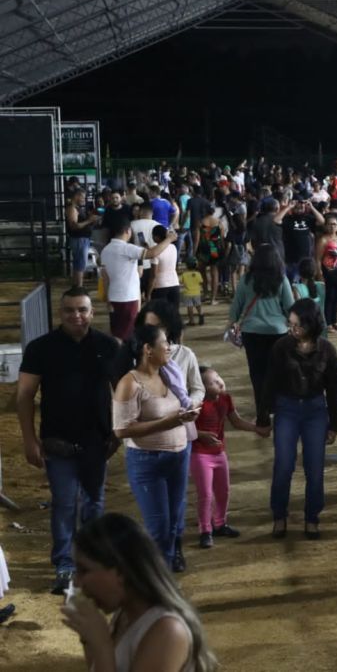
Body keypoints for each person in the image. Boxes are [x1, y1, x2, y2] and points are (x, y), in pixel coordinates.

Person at [17, 288, 120, 595]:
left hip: (97, 441)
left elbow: (125, 392)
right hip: (57, 441)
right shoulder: (41, 348)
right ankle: (64, 564)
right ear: (59, 313)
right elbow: (24, 395)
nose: (76, 315)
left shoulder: (108, 346)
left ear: (92, 312)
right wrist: (29, 439)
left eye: (82, 309)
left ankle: (91, 560)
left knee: (94, 502)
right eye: (69, 310)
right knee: (64, 503)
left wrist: (118, 432)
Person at [60, 513, 217, 672]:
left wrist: (102, 645)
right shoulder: (125, 615)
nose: (76, 582)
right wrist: (89, 638)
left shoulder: (167, 631)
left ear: (121, 572)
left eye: (84, 570)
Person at [113, 325, 198, 569]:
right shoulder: (130, 383)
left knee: (174, 524)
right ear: (148, 349)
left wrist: (186, 415)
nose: (170, 347)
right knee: (159, 529)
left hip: (178, 456)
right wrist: (169, 422)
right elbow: (121, 429)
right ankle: (156, 581)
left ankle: (163, 578)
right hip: (148, 462)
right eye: (165, 343)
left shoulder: (169, 374)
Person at [260, 299, 337, 540]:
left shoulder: (328, 351)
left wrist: (334, 424)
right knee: (283, 465)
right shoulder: (281, 347)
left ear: (311, 324)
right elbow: (269, 382)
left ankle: (312, 517)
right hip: (286, 409)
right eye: (290, 324)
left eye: (297, 325)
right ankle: (279, 515)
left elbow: (335, 390)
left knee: (314, 468)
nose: (292, 329)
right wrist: (263, 416)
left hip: (315, 411)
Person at [192, 367, 263, 549]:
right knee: (206, 494)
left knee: (223, 491)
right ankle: (205, 530)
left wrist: (256, 428)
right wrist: (201, 435)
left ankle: (220, 524)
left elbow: (236, 421)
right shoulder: (196, 404)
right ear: (202, 388)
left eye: (218, 377)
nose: (220, 382)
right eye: (213, 382)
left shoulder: (226, 399)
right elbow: (186, 428)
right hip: (200, 455)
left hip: (219, 453)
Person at [228, 244, 295, 405]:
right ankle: (276, 407)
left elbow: (236, 306)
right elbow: (290, 307)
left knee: (257, 373)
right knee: (278, 372)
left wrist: (231, 324)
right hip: (278, 332)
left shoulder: (246, 279)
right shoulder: (281, 279)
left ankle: (262, 410)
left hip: (251, 332)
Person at [100, 217, 176, 341]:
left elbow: (105, 278)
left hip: (114, 296)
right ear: (127, 231)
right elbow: (152, 253)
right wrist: (169, 239)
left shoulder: (105, 250)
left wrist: (108, 298)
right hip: (128, 297)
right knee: (128, 334)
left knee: (117, 332)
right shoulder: (126, 248)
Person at [282, 198, 325, 283]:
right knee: (292, 283)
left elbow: (322, 221)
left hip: (305, 259)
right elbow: (276, 220)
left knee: (303, 283)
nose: (299, 210)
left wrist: (312, 207)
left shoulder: (308, 218)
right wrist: (288, 207)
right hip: (291, 259)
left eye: (301, 208)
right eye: (296, 208)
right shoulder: (288, 219)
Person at [316, 213, 337, 331]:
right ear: (325, 226)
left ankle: (334, 321)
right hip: (328, 271)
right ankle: (328, 322)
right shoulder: (323, 240)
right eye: (329, 224)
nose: (332, 226)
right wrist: (319, 273)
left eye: (334, 224)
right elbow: (317, 259)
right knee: (329, 297)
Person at [66, 188, 99, 288]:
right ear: (77, 196)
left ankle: (77, 286)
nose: (84, 200)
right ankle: (79, 287)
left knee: (80, 263)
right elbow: (74, 226)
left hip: (83, 239)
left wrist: (92, 221)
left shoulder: (78, 208)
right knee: (80, 264)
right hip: (79, 239)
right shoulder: (72, 209)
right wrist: (89, 220)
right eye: (83, 197)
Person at [195, 204, 225, 305]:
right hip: (214, 249)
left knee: (202, 271)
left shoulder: (200, 222)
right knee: (214, 273)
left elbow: (197, 239)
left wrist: (194, 251)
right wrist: (223, 250)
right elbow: (221, 238)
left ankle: (205, 293)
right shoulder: (219, 222)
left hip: (203, 249)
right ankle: (213, 299)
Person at [292, 258, 327, 337]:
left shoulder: (296, 288)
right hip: (321, 324)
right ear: (314, 272)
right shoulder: (322, 286)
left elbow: (297, 311)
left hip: (306, 328)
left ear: (299, 272)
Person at [147, 224, 180, 308]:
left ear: (156, 237)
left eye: (153, 235)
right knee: (173, 313)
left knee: (159, 313)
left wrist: (148, 293)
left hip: (160, 286)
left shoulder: (155, 252)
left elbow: (153, 275)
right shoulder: (173, 247)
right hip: (174, 283)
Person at [180, 258, 204, 326]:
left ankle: (192, 320)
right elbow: (201, 282)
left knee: (189, 307)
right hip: (197, 292)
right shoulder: (198, 274)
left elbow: (181, 282)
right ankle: (201, 314)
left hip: (187, 293)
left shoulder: (184, 274)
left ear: (187, 266)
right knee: (198, 305)